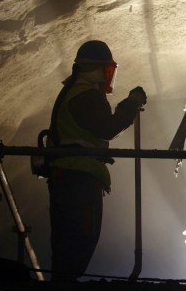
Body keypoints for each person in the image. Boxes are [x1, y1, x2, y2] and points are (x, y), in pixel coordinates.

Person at [46, 40, 147, 281]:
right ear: (97, 69)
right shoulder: (84, 96)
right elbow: (107, 128)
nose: (108, 77)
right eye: (108, 70)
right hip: (77, 179)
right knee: (79, 240)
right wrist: (131, 103)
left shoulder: (73, 92)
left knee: (69, 244)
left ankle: (61, 282)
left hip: (69, 176)